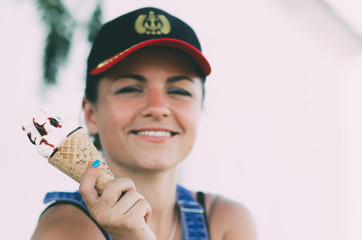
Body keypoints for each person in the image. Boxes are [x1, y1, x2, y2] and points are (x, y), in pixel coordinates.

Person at [31, 7, 257, 240]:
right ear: (91, 115)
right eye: (131, 89)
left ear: (200, 108)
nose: (157, 107)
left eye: (179, 90)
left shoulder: (227, 221)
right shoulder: (65, 229)